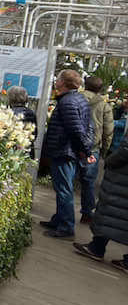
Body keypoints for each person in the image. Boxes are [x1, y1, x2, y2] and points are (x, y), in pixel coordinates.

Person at [39, 69, 93, 239]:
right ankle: (59, 219)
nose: (56, 81)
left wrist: (85, 150)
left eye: (58, 79)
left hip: (64, 151)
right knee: (63, 187)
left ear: (63, 82)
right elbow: (88, 126)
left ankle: (66, 227)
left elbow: (76, 130)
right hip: (68, 150)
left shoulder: (68, 102)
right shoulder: (78, 99)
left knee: (64, 189)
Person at [72, 132, 128, 274]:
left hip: (121, 180)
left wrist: (109, 160)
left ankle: (96, 248)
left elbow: (125, 150)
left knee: (109, 212)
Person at [81, 76, 114, 220]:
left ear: (85, 85)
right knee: (88, 183)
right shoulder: (104, 106)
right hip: (92, 148)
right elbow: (108, 131)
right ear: (100, 89)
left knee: (67, 181)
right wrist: (104, 151)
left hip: (73, 147)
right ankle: (87, 213)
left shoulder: (76, 98)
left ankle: (63, 214)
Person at [7, 86, 36, 162]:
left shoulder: (8, 112)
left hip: (10, 150)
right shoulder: (31, 113)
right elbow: (34, 134)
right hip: (25, 150)